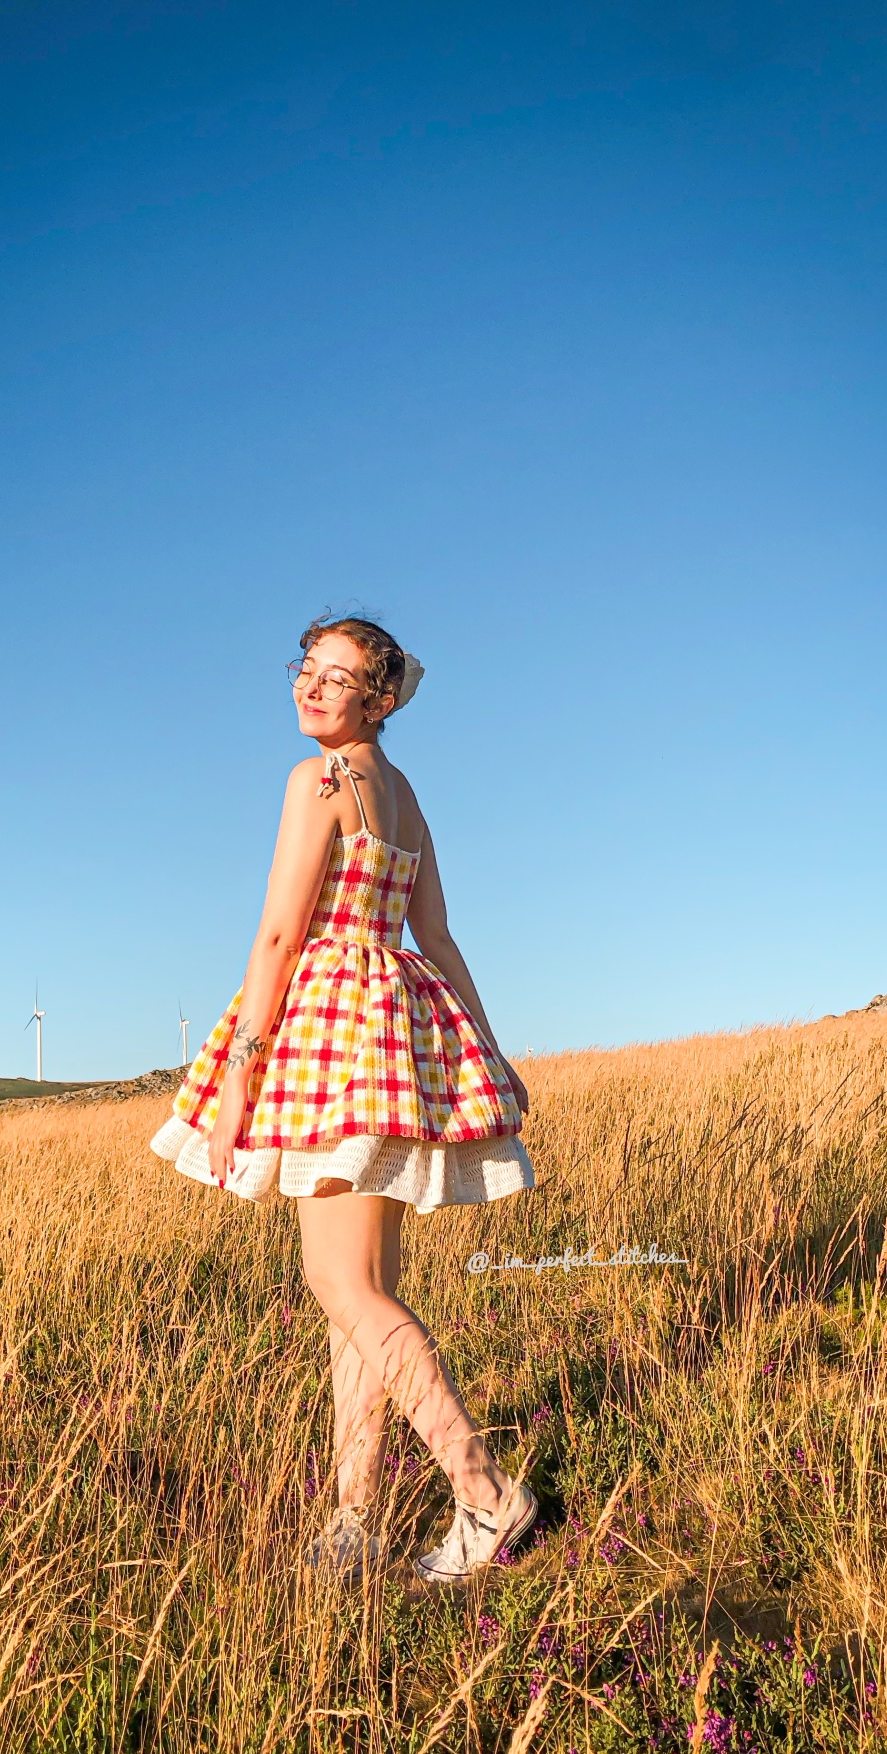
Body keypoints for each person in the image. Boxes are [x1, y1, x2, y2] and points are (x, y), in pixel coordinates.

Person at [150, 615, 538, 1584]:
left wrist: (241, 1074)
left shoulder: (314, 782)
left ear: (380, 698)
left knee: (342, 1287)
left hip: (330, 1033)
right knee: (360, 1298)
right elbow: (435, 938)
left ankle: (487, 1495)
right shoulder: (400, 793)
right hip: (392, 1029)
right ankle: (356, 1518)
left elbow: (279, 936)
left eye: (338, 678)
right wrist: (487, 1048)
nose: (310, 689)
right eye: (305, 670)